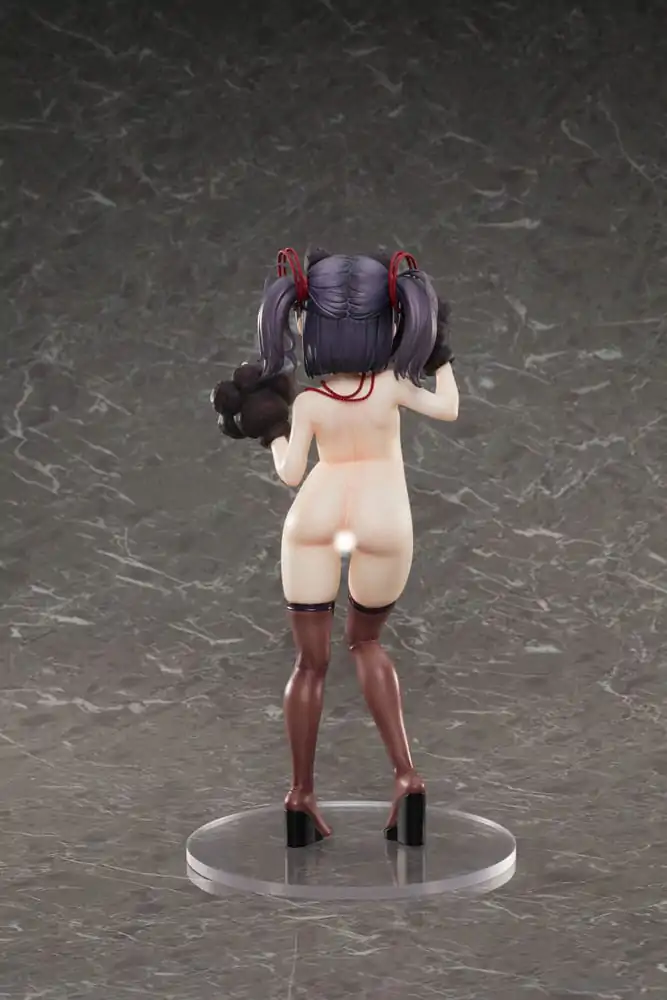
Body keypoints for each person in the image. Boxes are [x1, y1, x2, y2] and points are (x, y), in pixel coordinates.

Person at [211, 248, 459, 848]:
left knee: (310, 662)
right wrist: (440, 355)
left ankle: (300, 794)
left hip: (315, 514)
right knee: (366, 643)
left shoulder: (310, 402)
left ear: (308, 325)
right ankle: (406, 778)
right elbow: (449, 408)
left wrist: (270, 429)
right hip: (383, 515)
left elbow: (291, 473)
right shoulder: (392, 387)